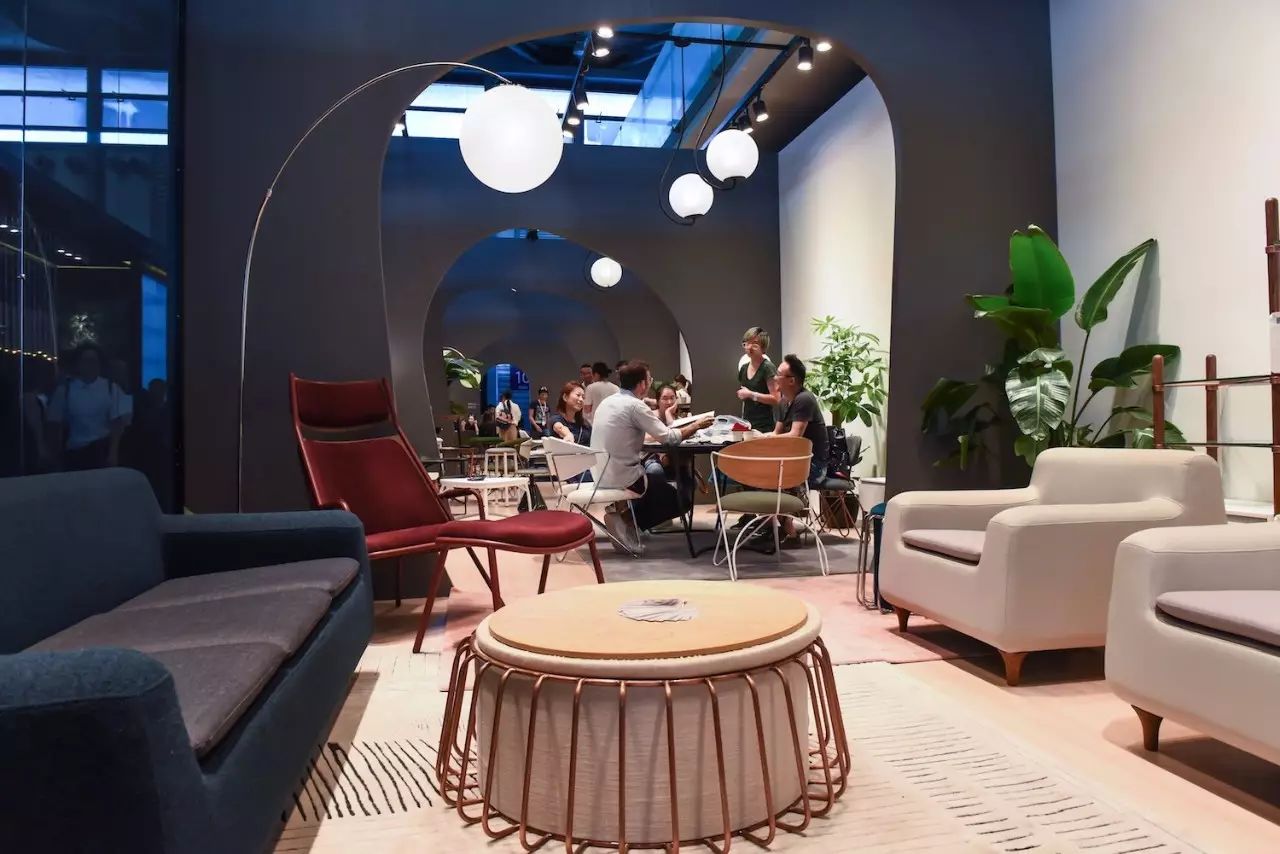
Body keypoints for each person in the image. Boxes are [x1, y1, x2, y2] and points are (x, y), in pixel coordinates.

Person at [591, 360, 712, 550]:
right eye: (649, 379)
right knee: (683, 500)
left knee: (656, 481)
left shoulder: (608, 402)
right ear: (642, 384)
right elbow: (669, 438)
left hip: (599, 473)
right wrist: (697, 425)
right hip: (624, 476)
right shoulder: (635, 406)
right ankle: (628, 521)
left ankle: (626, 517)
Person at [45, 343, 128, 471]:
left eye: (93, 361)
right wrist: (55, 454)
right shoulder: (65, 389)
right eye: (85, 361)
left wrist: (113, 453)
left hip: (101, 450)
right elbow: (54, 423)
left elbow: (118, 424)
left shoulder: (111, 388)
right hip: (74, 450)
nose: (90, 365)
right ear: (77, 364)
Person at [773, 354, 828, 549]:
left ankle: (790, 533)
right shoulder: (784, 401)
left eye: (778, 374)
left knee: (773, 477)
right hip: (792, 460)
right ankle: (771, 527)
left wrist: (764, 439)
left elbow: (795, 436)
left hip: (813, 464)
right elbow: (777, 434)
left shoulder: (804, 399)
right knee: (759, 474)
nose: (774, 377)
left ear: (791, 380)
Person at [737, 327, 779, 432]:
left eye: (755, 344)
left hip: (764, 426)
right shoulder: (744, 368)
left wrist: (751, 394)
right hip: (747, 424)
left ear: (763, 348)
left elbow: (776, 399)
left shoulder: (767, 368)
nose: (749, 347)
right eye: (747, 343)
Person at [583, 361, 619, 425]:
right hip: (612, 423)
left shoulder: (591, 387)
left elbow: (587, 409)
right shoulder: (616, 388)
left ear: (596, 374)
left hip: (596, 423)